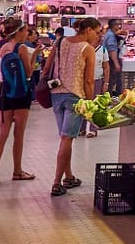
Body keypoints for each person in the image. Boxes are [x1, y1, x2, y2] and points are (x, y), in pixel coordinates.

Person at [49, 16, 102, 196]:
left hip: (56, 95)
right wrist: (90, 103)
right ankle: (56, 183)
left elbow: (48, 65)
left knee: (65, 139)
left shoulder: (61, 41)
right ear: (88, 30)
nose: (98, 35)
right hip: (75, 98)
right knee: (67, 139)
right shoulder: (87, 49)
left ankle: (69, 176)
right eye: (97, 31)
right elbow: (88, 80)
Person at [0, 17, 37, 185]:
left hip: (4, 94)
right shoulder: (21, 48)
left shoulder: (3, 49)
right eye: (26, 31)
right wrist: (35, 55)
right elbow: (29, 73)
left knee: (3, 134)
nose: (27, 34)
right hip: (21, 95)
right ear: (19, 32)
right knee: (19, 134)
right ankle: (17, 171)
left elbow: (0, 74)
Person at [83, 34, 110, 138]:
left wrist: (106, 82)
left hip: (97, 80)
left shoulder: (103, 50)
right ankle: (81, 128)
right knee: (83, 104)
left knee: (95, 104)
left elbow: (106, 67)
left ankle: (93, 129)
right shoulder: (84, 48)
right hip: (84, 80)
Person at [102, 19, 123, 95]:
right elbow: (111, 50)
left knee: (111, 81)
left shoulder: (109, 34)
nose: (119, 26)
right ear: (114, 26)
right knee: (112, 81)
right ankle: (109, 98)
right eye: (118, 24)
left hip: (109, 60)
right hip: (111, 61)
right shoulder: (111, 36)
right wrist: (116, 63)